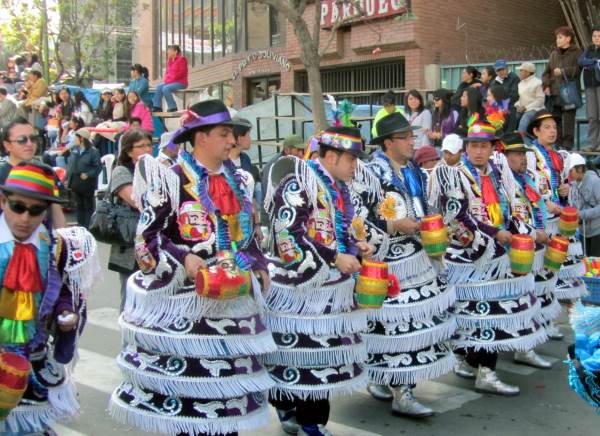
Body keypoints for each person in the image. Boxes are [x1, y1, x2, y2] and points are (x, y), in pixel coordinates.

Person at [109, 100, 277, 435]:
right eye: (224, 133)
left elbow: (250, 236)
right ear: (200, 138)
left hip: (235, 306)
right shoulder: (170, 180)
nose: (232, 140)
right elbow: (146, 238)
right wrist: (182, 258)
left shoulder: (240, 180)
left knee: (229, 394)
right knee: (192, 397)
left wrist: (257, 265)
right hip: (189, 310)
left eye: (232, 134)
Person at [264, 125, 371, 435]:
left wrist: (354, 245)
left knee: (323, 355)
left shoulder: (339, 186)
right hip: (299, 289)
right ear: (332, 156)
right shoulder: (299, 182)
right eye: (351, 159)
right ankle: (287, 407)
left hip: (331, 290)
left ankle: (313, 422)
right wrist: (334, 256)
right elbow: (287, 236)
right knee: (294, 354)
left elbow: (339, 227)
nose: (355, 165)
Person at [431, 121, 546, 395]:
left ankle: (484, 369)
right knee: (470, 316)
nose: (478, 151)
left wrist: (525, 231)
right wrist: (494, 234)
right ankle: (474, 364)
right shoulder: (454, 175)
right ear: (466, 147)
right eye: (473, 145)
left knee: (493, 316)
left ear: (493, 149)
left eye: (483, 146)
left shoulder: (499, 175)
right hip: (468, 259)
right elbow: (457, 218)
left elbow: (512, 208)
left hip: (498, 257)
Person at [363, 112, 456, 417]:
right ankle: (399, 389)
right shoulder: (371, 172)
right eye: (405, 137)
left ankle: (395, 383)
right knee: (394, 326)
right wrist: (392, 225)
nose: (412, 142)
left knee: (416, 324)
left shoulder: (413, 168)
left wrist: (434, 228)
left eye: (412, 136)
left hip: (417, 255)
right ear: (388, 142)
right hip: (388, 259)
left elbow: (424, 205)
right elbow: (359, 216)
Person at [0, 161, 98, 435]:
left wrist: (65, 313)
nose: (25, 218)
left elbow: (61, 290)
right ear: (3, 200)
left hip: (31, 364)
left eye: (36, 210)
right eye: (18, 207)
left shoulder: (52, 245)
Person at [497, 131, 554, 369]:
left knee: (529, 297)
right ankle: (522, 347)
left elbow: (537, 207)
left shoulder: (527, 179)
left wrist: (540, 232)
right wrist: (532, 233)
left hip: (531, 248)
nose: (523, 158)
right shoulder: (501, 183)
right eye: (517, 154)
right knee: (517, 300)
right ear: (504, 156)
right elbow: (505, 218)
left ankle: (523, 344)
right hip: (513, 251)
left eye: (523, 153)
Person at [526, 110, 587, 305]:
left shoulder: (559, 156)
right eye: (547, 128)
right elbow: (526, 184)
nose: (552, 131)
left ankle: (557, 314)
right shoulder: (530, 155)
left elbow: (562, 182)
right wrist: (545, 203)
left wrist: (565, 188)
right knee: (541, 270)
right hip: (540, 219)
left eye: (554, 127)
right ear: (536, 131)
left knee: (559, 267)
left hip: (557, 218)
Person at [107, 128, 153, 312]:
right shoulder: (122, 171)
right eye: (141, 146)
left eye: (149, 145)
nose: (147, 149)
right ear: (128, 151)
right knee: (131, 297)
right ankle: (129, 340)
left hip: (152, 240)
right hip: (130, 241)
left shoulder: (155, 168)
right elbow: (137, 201)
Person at [0, 117, 66, 228]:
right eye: (22, 140)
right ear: (7, 145)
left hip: (43, 241)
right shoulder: (1, 175)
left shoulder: (46, 172)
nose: (29, 144)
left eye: (33, 138)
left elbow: (56, 212)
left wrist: (62, 241)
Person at [542, 26, 582, 150]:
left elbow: (578, 70)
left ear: (568, 39)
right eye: (557, 38)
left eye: (560, 37)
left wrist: (563, 71)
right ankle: (557, 146)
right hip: (555, 92)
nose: (557, 40)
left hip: (569, 93)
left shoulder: (577, 53)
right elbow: (546, 72)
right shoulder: (554, 54)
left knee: (569, 121)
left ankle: (567, 147)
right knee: (556, 121)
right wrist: (546, 85)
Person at [260, 133, 306, 224]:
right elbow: (269, 196)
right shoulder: (274, 166)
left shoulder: (294, 162)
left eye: (302, 150)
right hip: (273, 217)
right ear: (286, 150)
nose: (301, 154)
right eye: (298, 150)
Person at [66, 128, 101, 228]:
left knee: (88, 205)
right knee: (79, 204)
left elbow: (97, 167)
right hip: (76, 181)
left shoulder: (93, 152)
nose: (74, 139)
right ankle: (80, 225)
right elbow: (70, 166)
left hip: (87, 182)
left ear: (82, 138)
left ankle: (88, 225)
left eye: (76, 137)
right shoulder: (75, 150)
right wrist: (67, 178)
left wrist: (88, 174)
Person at [567, 153, 600, 256]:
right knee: (585, 264)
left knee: (596, 265)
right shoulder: (573, 184)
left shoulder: (595, 181)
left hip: (597, 231)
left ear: (580, 168)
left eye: (570, 170)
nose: (569, 174)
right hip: (583, 232)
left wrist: (581, 214)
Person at [578, 26, 600, 151]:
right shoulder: (589, 49)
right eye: (595, 36)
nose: (597, 38)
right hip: (589, 85)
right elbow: (581, 61)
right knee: (592, 116)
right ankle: (592, 144)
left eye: (599, 36)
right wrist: (594, 61)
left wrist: (589, 62)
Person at [151, 45, 188, 113]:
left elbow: (182, 73)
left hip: (180, 82)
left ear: (175, 51)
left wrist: (170, 80)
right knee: (159, 87)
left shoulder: (181, 59)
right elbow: (167, 73)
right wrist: (167, 79)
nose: (168, 52)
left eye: (170, 51)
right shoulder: (170, 61)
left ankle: (173, 107)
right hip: (170, 82)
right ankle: (157, 106)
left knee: (165, 88)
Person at [515, 62, 546, 135]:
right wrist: (517, 105)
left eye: (521, 71)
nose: (519, 72)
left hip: (535, 109)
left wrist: (526, 107)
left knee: (525, 119)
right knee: (512, 119)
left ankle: (523, 142)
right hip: (523, 109)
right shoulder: (520, 83)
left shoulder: (538, 83)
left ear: (527, 72)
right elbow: (521, 98)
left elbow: (540, 100)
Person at [493, 59, 520, 131]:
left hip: (510, 106)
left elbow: (514, 96)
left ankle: (509, 135)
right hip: (498, 107)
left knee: (510, 111)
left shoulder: (514, 78)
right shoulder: (494, 81)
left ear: (507, 68)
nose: (501, 72)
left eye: (503, 69)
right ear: (496, 72)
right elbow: (489, 96)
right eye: (499, 70)